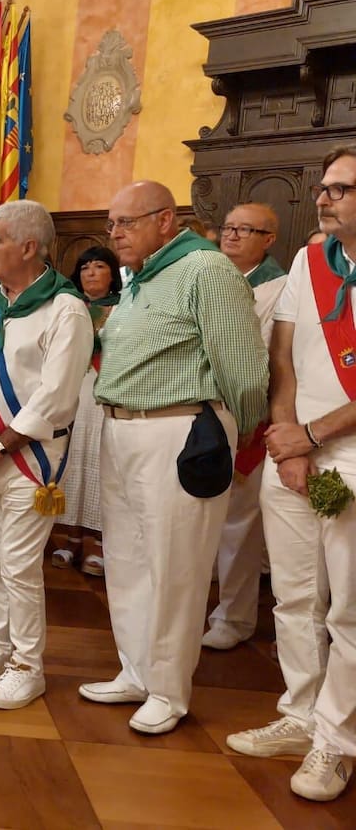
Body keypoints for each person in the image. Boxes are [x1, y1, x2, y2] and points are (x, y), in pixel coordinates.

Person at [82, 180, 268, 735]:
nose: (115, 234)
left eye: (127, 222)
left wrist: (238, 433)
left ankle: (168, 690)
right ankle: (136, 671)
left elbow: (243, 366)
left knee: (175, 566)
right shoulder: (141, 277)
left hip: (179, 429)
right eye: (111, 224)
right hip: (122, 428)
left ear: (165, 220)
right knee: (127, 559)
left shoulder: (205, 269)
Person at [226, 147, 356, 803]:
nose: (324, 198)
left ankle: (338, 740)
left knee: (350, 610)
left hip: (348, 454)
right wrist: (291, 440)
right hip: (296, 452)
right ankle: (302, 713)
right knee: (296, 595)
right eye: (325, 187)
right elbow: (283, 358)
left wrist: (313, 434)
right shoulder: (310, 263)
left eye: (341, 188)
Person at [0, 201, 93, 709]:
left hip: (31, 458)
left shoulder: (66, 309)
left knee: (19, 565)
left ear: (28, 247)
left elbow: (56, 396)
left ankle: (28, 665)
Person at [202, 204, 287, 651]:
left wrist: (252, 413)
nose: (231, 236)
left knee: (238, 523)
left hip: (250, 416)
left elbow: (273, 358)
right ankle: (199, 603)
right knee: (201, 519)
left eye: (244, 230)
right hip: (201, 413)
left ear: (268, 239)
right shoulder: (210, 277)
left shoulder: (281, 288)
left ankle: (234, 618)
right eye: (228, 228)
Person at [51, 245, 122, 576]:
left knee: (100, 463)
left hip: (108, 391)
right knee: (72, 459)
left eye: (99, 266)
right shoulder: (68, 306)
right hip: (73, 390)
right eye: (85, 267)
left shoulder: (124, 306)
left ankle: (99, 541)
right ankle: (71, 537)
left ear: (112, 273)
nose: (91, 273)